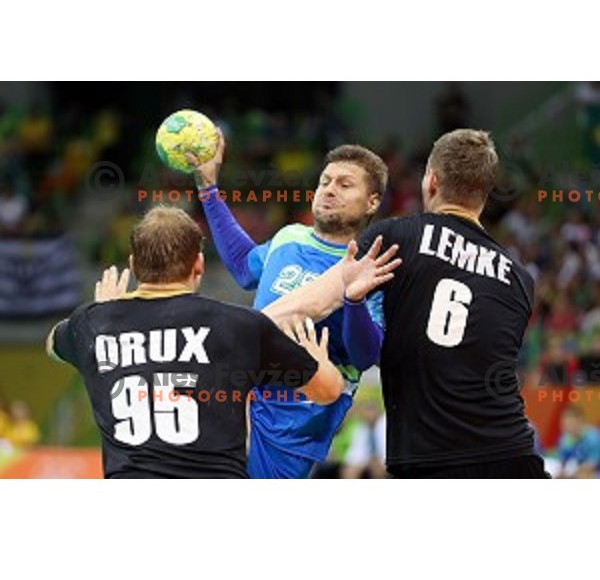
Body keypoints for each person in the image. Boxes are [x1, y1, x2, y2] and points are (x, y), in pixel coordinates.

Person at [264, 128, 550, 479]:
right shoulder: (521, 278)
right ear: (486, 192)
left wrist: (227, 333)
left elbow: (312, 303)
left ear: (431, 180)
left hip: (429, 458)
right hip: (513, 452)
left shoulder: (397, 237)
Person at [46, 206, 343, 479]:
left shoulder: (92, 324)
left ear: (134, 266)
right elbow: (328, 391)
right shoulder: (240, 326)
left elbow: (52, 344)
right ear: (198, 264)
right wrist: (316, 356)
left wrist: (104, 311)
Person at [187, 132, 399, 478]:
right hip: (245, 387)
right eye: (325, 181)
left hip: (300, 409)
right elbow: (243, 267)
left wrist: (355, 300)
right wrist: (209, 189)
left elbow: (365, 356)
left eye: (345, 185)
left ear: (372, 201)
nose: (329, 190)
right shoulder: (290, 236)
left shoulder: (371, 262)